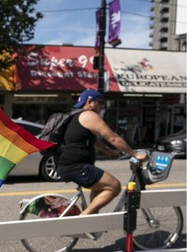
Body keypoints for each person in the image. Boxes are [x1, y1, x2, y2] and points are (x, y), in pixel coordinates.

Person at [56, 89, 148, 220]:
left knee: (100, 188)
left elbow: (94, 140)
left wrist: (110, 152)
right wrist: (134, 154)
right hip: (76, 166)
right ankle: (83, 219)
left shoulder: (75, 115)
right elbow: (113, 138)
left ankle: (92, 222)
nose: (101, 106)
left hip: (71, 164)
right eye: (99, 103)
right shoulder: (89, 115)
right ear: (90, 102)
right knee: (114, 186)